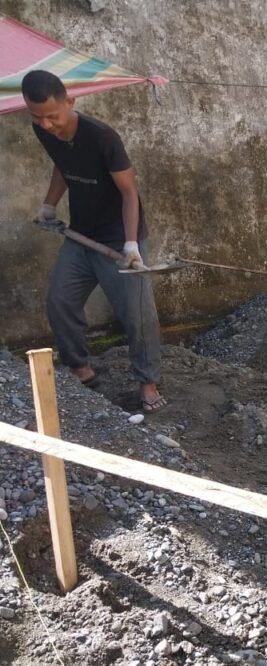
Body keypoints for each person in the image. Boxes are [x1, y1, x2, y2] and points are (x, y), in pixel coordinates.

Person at [21, 70, 167, 413]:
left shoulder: (103, 137)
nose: (45, 125)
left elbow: (129, 193)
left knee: (137, 315)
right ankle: (81, 370)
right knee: (60, 302)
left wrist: (131, 245)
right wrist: (48, 205)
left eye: (52, 116)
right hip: (81, 236)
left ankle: (148, 383)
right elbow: (62, 166)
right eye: (36, 116)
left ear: (70, 101)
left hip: (119, 240)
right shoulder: (44, 131)